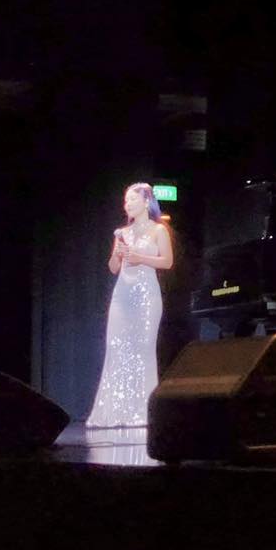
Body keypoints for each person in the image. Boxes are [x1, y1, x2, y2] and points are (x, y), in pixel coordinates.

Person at [86, 182, 173, 428]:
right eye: (126, 201)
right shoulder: (122, 233)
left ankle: (143, 411)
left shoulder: (158, 231)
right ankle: (117, 411)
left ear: (146, 202)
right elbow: (113, 268)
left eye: (132, 200)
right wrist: (119, 255)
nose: (128, 205)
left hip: (146, 295)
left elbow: (167, 262)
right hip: (122, 295)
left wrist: (140, 258)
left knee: (143, 348)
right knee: (117, 348)